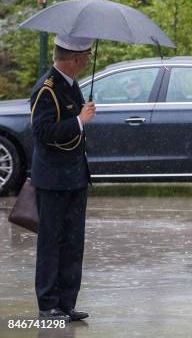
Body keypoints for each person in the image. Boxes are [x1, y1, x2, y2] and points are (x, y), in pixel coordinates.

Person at [30, 35, 97, 321]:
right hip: (53, 180)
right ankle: (48, 305)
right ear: (75, 59)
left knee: (73, 243)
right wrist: (79, 120)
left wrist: (79, 120)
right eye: (87, 57)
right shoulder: (47, 89)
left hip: (75, 177)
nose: (88, 61)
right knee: (51, 242)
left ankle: (67, 303)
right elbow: (42, 133)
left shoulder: (71, 85)